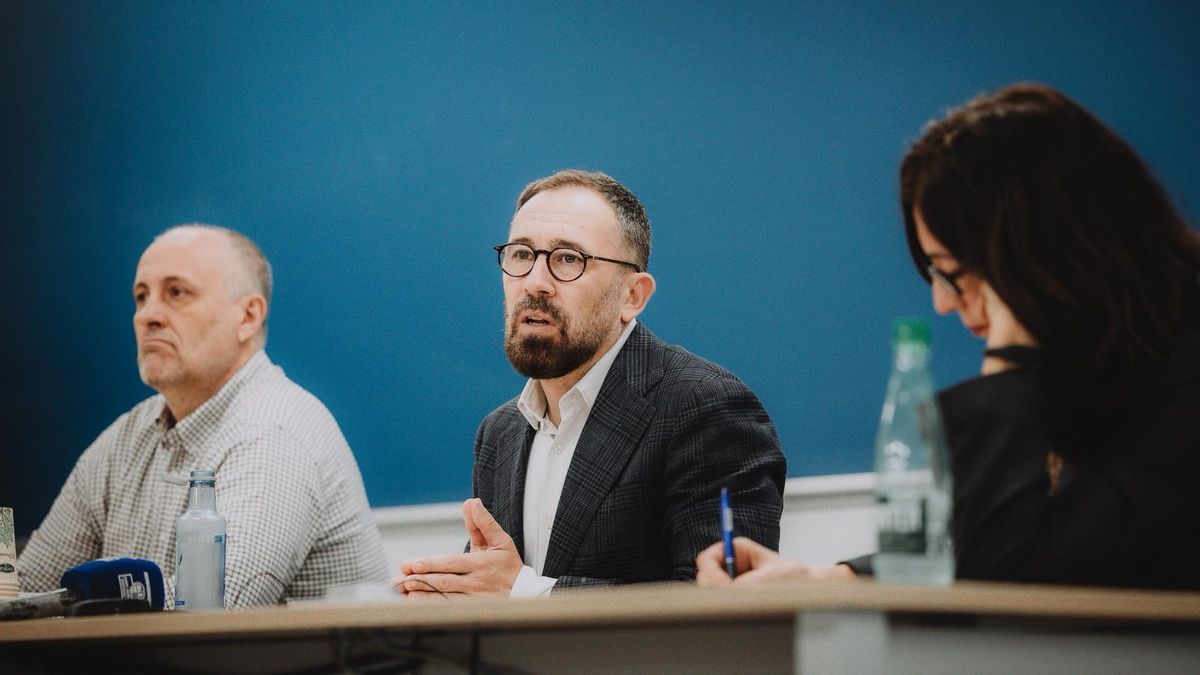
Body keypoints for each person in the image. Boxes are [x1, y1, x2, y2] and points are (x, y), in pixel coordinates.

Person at [697, 83, 1200, 590]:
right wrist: (826, 576)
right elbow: (990, 543)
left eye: (951, 271)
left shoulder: (1180, 373)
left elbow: (1007, 573)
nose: (943, 302)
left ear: (1035, 253)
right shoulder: (1105, 356)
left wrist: (1009, 355)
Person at [397, 170, 787, 598]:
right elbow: (494, 589)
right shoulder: (499, 433)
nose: (535, 283)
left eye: (568, 259)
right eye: (522, 254)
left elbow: (727, 609)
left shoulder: (705, 407)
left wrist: (524, 593)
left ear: (632, 296)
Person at [18, 225, 389, 607]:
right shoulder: (125, 438)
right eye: (141, 297)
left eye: (176, 293)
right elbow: (24, 594)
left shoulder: (274, 432)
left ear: (248, 316)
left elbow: (209, 618)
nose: (148, 316)